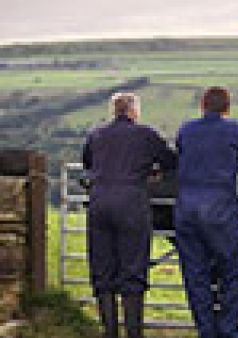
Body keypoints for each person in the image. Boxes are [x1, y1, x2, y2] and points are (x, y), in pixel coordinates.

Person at [175, 87, 238, 338]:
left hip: (186, 211)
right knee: (234, 271)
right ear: (227, 108)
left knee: (196, 274)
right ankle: (228, 329)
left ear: (202, 106)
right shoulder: (234, 130)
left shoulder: (186, 130)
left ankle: (206, 330)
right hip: (220, 212)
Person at [83, 92, 177, 338]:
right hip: (132, 203)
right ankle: (134, 332)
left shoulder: (96, 134)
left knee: (102, 270)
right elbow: (170, 161)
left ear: (114, 111)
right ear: (134, 111)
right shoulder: (146, 134)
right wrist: (151, 171)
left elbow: (88, 163)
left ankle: (110, 332)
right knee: (133, 269)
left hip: (99, 203)